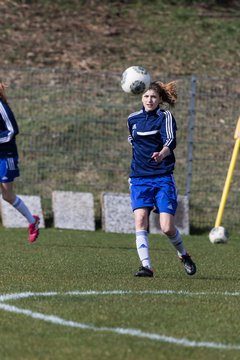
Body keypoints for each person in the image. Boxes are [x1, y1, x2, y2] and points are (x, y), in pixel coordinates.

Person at [127, 80, 196, 277]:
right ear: (141, 97)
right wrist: (132, 176)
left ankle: (183, 254)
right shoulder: (132, 119)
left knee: (166, 227)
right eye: (146, 96)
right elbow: (134, 145)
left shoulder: (165, 117)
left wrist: (162, 154)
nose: (149, 100)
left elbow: (170, 141)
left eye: (153, 97)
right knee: (140, 220)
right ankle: (146, 266)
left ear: (159, 100)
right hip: (139, 178)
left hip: (162, 178)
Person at [0, 82, 40, 242]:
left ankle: (33, 221)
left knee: (7, 196)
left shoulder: (1, 106)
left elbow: (12, 130)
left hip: (6, 155)